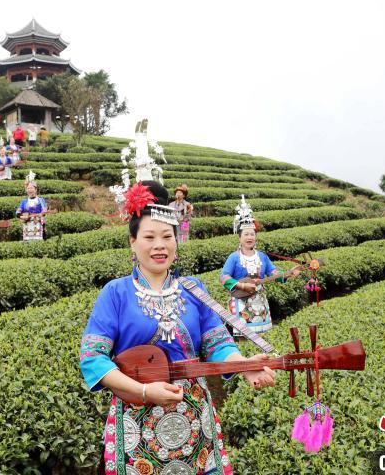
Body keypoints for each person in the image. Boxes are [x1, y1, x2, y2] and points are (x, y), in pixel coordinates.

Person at [80, 181, 275, 475]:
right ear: (132, 242)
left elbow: (218, 344)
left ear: (176, 241)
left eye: (166, 236)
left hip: (194, 417)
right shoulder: (115, 293)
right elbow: (93, 359)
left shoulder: (192, 289)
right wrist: (144, 391)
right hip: (137, 423)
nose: (159, 245)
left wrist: (245, 365)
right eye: (149, 236)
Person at [220, 195, 300, 335]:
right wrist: (243, 286)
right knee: (243, 338)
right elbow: (224, 278)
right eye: (246, 234)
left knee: (263, 337)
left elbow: (273, 274)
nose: (249, 237)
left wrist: (288, 274)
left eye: (252, 234)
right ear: (240, 237)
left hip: (260, 302)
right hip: (241, 303)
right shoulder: (234, 257)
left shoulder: (262, 256)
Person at [16, 171, 49, 240]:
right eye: (28, 188)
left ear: (36, 189)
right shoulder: (24, 201)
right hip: (27, 226)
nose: (29, 190)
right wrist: (22, 217)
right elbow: (18, 212)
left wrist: (40, 214)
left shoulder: (41, 200)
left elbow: (44, 211)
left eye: (31, 188)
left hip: (37, 224)